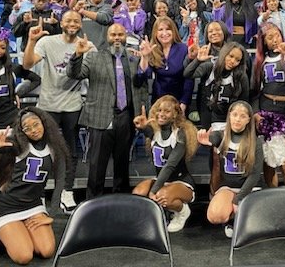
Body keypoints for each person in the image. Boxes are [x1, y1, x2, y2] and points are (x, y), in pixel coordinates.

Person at [66, 23, 148, 198]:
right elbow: (74, 74)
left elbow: (140, 86)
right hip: (100, 116)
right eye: (113, 35)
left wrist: (143, 112)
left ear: (125, 36)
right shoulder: (94, 57)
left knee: (122, 163)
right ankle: (93, 202)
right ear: (107, 37)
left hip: (126, 116)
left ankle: (121, 200)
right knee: (97, 166)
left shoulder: (134, 58)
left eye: (120, 34)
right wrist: (78, 55)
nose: (116, 38)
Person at [22, 11, 93, 213]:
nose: (72, 23)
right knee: (42, 151)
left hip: (72, 106)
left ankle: (67, 192)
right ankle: (39, 193)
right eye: (69, 20)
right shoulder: (47, 42)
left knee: (70, 151)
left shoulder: (86, 45)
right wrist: (30, 40)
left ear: (80, 24)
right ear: (61, 23)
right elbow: (27, 64)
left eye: (76, 21)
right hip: (48, 105)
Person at [0, 107, 70, 265]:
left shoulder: (55, 149)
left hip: (33, 206)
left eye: (36, 124)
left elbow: (60, 182)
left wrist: (50, 214)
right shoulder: (18, 145)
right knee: (24, 256)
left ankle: (21, 228)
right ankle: (2, 232)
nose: (33, 130)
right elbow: (4, 155)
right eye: (27, 128)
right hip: (8, 207)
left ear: (44, 123)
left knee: (46, 251)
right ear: (22, 131)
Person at [184, 41, 249, 193]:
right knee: (216, 161)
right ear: (224, 53)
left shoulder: (241, 76)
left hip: (234, 122)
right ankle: (214, 194)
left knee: (231, 159)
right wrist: (198, 60)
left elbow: (244, 103)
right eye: (230, 56)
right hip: (215, 120)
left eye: (237, 59)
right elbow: (187, 74)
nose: (232, 61)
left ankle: (233, 193)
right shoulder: (210, 67)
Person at [198, 101, 263, 238]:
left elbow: (255, 174)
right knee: (215, 216)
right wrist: (205, 140)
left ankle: (239, 215)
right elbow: (212, 138)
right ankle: (232, 219)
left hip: (250, 188)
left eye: (242, 116)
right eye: (234, 115)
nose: (237, 119)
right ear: (229, 116)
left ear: (248, 120)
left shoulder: (256, 142)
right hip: (228, 188)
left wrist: (238, 199)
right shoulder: (221, 136)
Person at [132, 95, 198, 233]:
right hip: (163, 181)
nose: (161, 114)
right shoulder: (155, 131)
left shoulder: (180, 135)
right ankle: (163, 213)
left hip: (181, 182)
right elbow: (146, 130)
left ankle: (182, 212)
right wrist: (142, 127)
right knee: (137, 194)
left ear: (175, 115)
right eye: (160, 110)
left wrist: (153, 190)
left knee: (162, 196)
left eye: (167, 111)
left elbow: (170, 166)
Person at [251, 22, 285, 188]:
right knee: (270, 163)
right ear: (264, 41)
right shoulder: (260, 61)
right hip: (268, 113)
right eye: (270, 37)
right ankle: (273, 200)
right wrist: (256, 113)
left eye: (277, 35)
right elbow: (254, 91)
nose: (275, 40)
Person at [137, 17, 194, 113]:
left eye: (168, 29)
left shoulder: (183, 49)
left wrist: (183, 103)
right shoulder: (152, 50)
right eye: (160, 30)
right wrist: (145, 57)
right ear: (155, 33)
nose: (164, 33)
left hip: (179, 102)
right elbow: (141, 78)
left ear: (173, 31)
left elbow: (189, 78)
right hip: (158, 103)